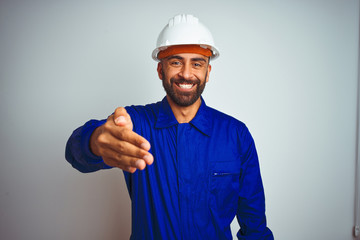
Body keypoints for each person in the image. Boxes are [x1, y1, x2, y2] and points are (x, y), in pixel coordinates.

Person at [65, 14, 274, 240]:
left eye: (197, 63)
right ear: (160, 70)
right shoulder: (135, 124)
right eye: (175, 62)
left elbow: (255, 227)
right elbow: (76, 152)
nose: (186, 73)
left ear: (208, 73)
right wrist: (95, 141)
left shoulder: (236, 135)